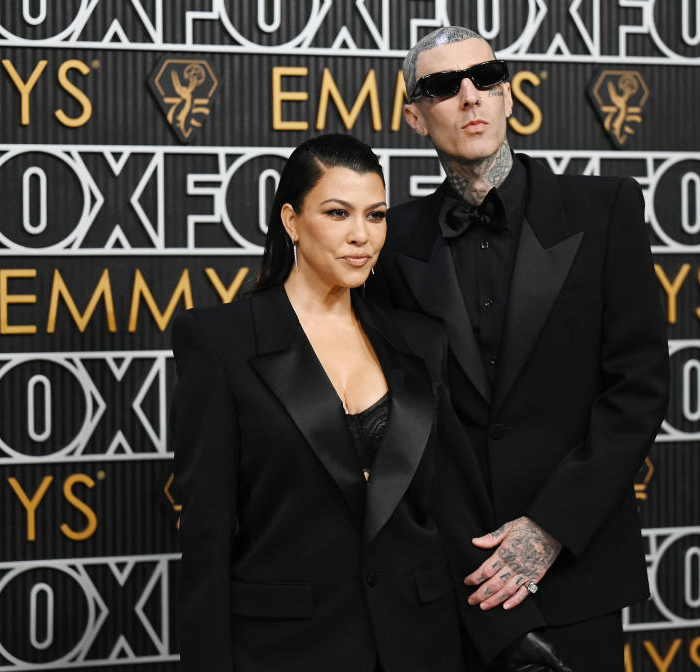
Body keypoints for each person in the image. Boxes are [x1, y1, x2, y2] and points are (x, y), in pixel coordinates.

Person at [368, 26, 670, 671]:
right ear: (415, 118)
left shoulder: (605, 208)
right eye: (443, 87)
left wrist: (550, 528)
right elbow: (400, 420)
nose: (469, 96)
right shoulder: (392, 242)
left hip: (578, 566)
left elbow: (638, 388)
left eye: (486, 77)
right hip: (454, 578)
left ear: (509, 95)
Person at [172, 133, 503, 671]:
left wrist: (507, 634)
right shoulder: (220, 342)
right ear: (291, 221)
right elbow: (206, 535)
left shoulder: (419, 342)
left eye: (375, 216)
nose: (361, 236)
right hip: (287, 650)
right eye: (337, 212)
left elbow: (451, 506)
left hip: (421, 646)